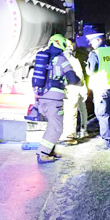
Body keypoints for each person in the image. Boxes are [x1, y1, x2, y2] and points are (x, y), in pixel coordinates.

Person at [34, 34, 81, 163]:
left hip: (42, 96)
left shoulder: (44, 57)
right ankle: (43, 154)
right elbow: (72, 78)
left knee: (52, 125)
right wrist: (79, 82)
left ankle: (50, 150)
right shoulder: (61, 59)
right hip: (54, 98)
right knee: (56, 127)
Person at [84, 26, 110, 152]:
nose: (90, 44)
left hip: (100, 88)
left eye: (92, 42)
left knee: (103, 115)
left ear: (98, 40)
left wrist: (87, 69)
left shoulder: (95, 53)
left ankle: (108, 143)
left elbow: (91, 70)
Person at [60, 39, 89, 144]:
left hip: (60, 89)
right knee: (71, 113)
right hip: (72, 88)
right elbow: (79, 76)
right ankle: (69, 136)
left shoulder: (58, 58)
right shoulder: (73, 59)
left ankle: (63, 134)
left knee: (63, 113)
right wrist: (83, 90)